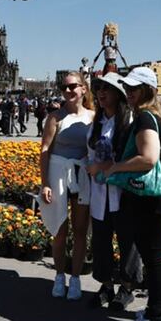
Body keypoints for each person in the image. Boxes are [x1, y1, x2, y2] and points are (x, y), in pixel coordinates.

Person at [103, 67, 161, 321]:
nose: (129, 93)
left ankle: (156, 319)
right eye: (127, 88)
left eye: (134, 88)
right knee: (154, 253)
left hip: (154, 192)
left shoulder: (146, 117)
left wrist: (115, 167)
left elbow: (148, 158)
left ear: (148, 90)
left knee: (153, 256)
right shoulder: (157, 114)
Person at [84, 73, 141, 310]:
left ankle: (126, 288)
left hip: (123, 192)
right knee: (101, 240)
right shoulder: (97, 123)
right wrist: (92, 167)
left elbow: (134, 156)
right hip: (100, 191)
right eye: (98, 88)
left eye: (107, 89)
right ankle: (106, 285)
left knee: (128, 241)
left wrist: (105, 166)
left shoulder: (129, 121)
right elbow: (90, 153)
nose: (101, 93)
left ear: (119, 94)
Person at [39, 71, 94, 301]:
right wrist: (45, 183)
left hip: (82, 175)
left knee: (80, 230)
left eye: (73, 86)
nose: (68, 91)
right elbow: (45, 150)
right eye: (64, 87)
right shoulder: (55, 117)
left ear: (83, 89)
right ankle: (60, 276)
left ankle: (76, 278)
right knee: (60, 230)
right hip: (58, 174)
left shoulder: (93, 116)